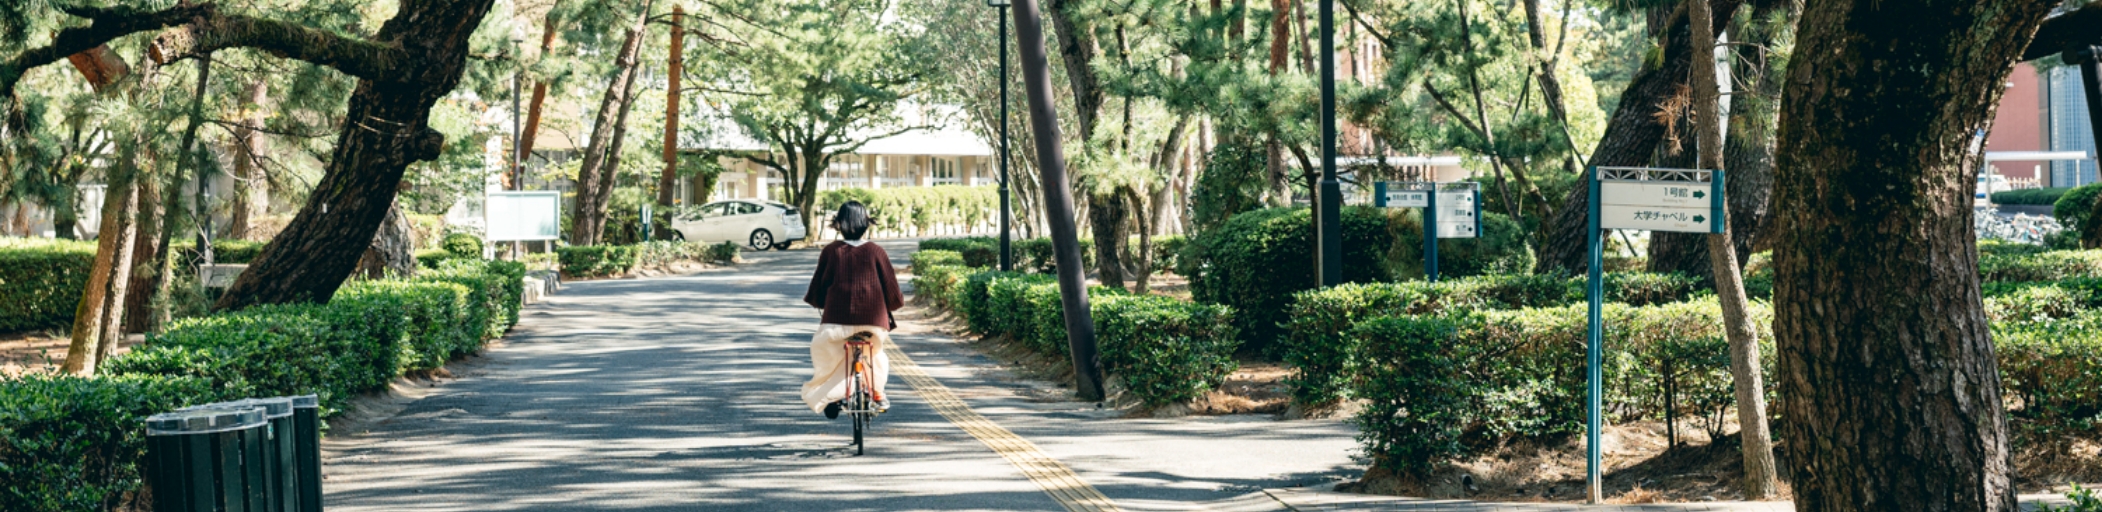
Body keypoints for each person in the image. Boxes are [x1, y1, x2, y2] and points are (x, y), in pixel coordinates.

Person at [800, 201, 903, 419]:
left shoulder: (831, 251)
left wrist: (821, 303)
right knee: (875, 353)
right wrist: (889, 308)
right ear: (866, 223)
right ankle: (877, 393)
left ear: (839, 224)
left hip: (837, 321)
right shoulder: (877, 251)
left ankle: (833, 396)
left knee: (826, 353)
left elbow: (818, 288)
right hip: (873, 322)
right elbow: (892, 292)